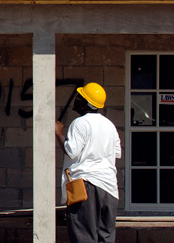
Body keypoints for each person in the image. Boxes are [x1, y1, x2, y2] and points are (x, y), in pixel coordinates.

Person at [55, 82, 121, 243]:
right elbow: (116, 154)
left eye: (80, 97)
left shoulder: (80, 123)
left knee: (83, 236)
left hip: (86, 186)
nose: (76, 100)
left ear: (86, 104)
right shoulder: (109, 125)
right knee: (105, 238)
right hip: (110, 188)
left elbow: (72, 151)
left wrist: (58, 133)